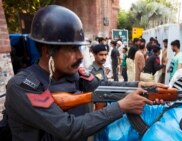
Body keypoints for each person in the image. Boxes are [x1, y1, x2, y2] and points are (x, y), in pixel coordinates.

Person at [4, 5, 167, 141]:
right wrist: (121, 107)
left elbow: (102, 86)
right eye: (72, 49)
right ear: (48, 51)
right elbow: (68, 128)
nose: (80, 56)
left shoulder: (73, 74)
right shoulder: (23, 86)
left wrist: (140, 85)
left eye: (79, 48)